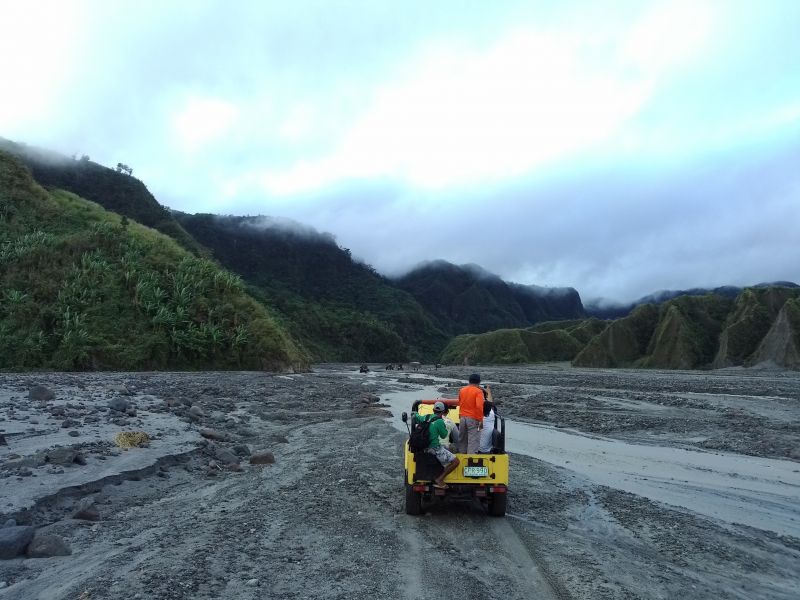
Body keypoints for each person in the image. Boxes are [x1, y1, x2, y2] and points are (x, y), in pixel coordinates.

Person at [413, 401, 460, 489]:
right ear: (443, 412)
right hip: (435, 448)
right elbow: (444, 435)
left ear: (433, 410)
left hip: (425, 448)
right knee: (456, 461)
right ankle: (440, 479)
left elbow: (416, 416)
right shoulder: (439, 421)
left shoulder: (425, 417)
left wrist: (414, 413)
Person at [458, 373, 485, 453]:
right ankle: (470, 462)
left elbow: (460, 402)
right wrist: (481, 420)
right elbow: (479, 406)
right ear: (479, 382)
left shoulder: (462, 390)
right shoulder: (478, 392)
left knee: (462, 440)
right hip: (473, 419)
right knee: (473, 442)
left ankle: (461, 457)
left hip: (462, 418)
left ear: (469, 381)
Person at [479, 387, 497, 453]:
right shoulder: (491, 413)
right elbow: (490, 404)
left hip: (478, 449)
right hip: (485, 448)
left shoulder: (478, 415)